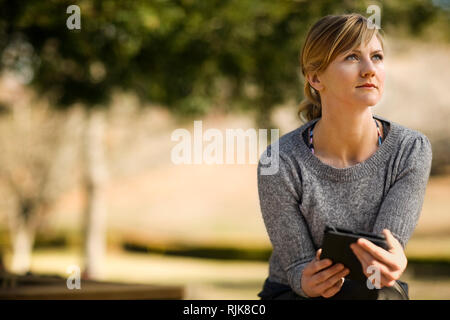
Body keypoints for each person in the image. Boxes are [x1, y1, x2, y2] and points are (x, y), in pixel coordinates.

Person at [257, 13, 432, 300]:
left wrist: (392, 259)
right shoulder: (278, 161)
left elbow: (385, 249)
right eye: (352, 57)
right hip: (294, 294)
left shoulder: (410, 149)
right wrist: (306, 279)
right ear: (315, 77)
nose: (369, 70)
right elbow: (297, 266)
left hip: (373, 291)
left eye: (376, 57)